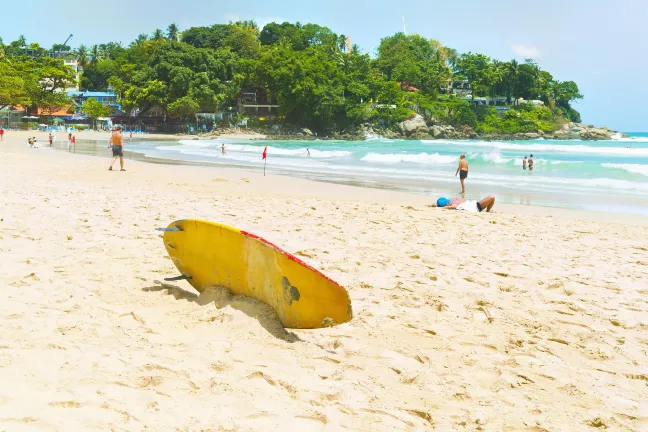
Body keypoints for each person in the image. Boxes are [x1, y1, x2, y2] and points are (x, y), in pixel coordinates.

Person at [429, 195, 496, 213]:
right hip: (476, 206)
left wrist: (434, 206)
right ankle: (487, 211)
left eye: (448, 202)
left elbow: (435, 205)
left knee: (491, 198)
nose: (448, 203)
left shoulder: (452, 200)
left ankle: (488, 211)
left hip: (473, 203)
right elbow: (452, 207)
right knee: (492, 197)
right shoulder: (452, 205)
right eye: (447, 203)